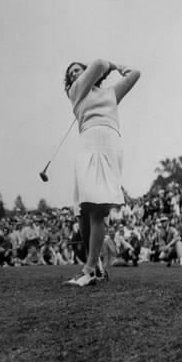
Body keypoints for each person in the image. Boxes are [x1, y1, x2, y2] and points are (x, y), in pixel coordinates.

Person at [63, 58, 141, 286]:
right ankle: (95, 265)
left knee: (98, 208)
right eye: (71, 73)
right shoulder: (75, 91)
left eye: (78, 70)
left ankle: (89, 270)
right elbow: (97, 63)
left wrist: (117, 66)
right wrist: (106, 67)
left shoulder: (110, 93)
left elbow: (135, 72)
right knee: (82, 210)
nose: (75, 74)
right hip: (87, 141)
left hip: (109, 143)